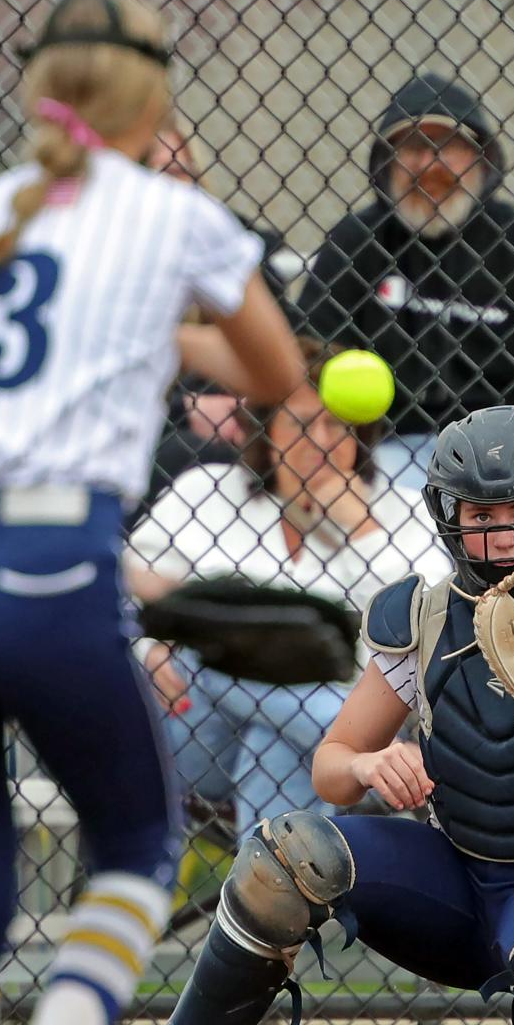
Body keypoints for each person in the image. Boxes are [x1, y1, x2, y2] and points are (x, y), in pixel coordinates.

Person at [0, 0, 302, 1025]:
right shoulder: (168, 212)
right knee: (139, 845)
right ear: (151, 96)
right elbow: (270, 367)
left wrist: (132, 327)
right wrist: (161, 320)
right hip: (44, 557)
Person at [90, 405, 514, 1025]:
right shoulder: (424, 616)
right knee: (285, 851)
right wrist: (369, 764)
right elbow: (331, 768)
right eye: (479, 515)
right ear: (447, 512)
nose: (498, 535)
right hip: (455, 883)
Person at [126, 336, 451, 839]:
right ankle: (348, 746)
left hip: (316, 750)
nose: (321, 441)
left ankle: (265, 904)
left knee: (276, 745)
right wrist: (145, 649)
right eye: (302, 424)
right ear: (267, 431)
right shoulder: (204, 493)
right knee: (218, 648)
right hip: (195, 729)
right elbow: (125, 592)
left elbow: (425, 629)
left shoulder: (398, 513)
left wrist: (361, 531)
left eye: (337, 425)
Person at [297, 72, 514, 501]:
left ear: (482, 158)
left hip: (503, 474)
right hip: (372, 464)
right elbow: (301, 369)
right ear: (387, 163)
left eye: (448, 147)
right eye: (413, 147)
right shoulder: (356, 243)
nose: (428, 164)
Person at [143, 116, 290, 506]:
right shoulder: (116, 264)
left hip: (242, 421)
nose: (173, 185)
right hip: (157, 428)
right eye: (157, 171)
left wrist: (246, 406)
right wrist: (185, 408)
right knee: (180, 454)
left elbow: (285, 358)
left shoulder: (233, 250)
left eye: (180, 169)